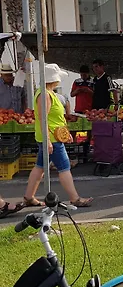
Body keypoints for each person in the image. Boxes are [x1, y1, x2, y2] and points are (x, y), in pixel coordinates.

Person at [23, 63, 93, 208]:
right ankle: (74, 198)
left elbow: (53, 119)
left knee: (40, 167)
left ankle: (29, 197)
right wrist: (48, 140)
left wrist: (64, 133)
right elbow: (43, 119)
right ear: (54, 79)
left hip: (50, 137)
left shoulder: (46, 93)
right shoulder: (45, 95)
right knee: (64, 167)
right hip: (52, 138)